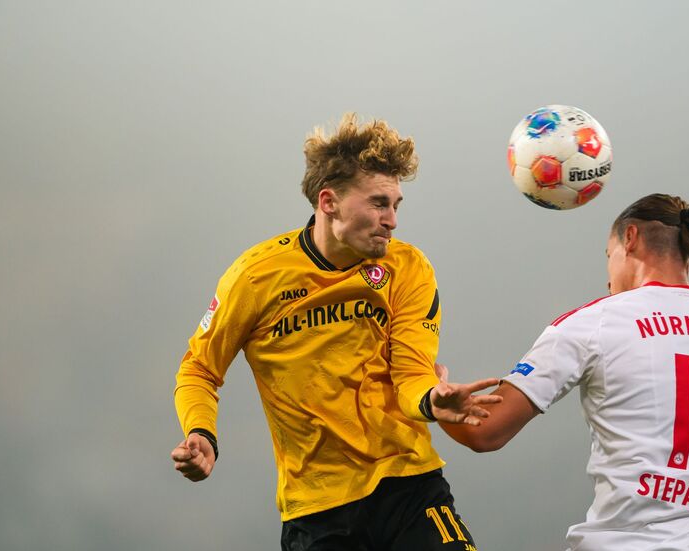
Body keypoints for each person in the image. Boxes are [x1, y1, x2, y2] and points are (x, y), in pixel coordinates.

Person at [171, 113, 500, 550]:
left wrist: (431, 400)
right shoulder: (255, 276)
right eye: (379, 204)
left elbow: (411, 373)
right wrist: (201, 432)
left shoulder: (408, 268)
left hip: (408, 483)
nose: (392, 220)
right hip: (317, 507)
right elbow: (198, 370)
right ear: (329, 202)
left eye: (396, 205)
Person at [438, 193, 689, 550]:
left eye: (609, 257)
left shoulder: (596, 322)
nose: (608, 280)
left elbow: (485, 433)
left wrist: (432, 400)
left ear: (630, 238)